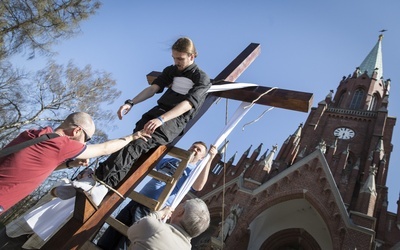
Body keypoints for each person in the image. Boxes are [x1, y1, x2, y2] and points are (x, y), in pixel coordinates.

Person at [95, 37, 212, 188]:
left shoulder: (201, 78)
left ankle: (98, 178)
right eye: (174, 57)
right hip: (153, 116)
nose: (177, 62)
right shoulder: (171, 70)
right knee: (128, 147)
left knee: (135, 146)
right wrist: (131, 102)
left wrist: (161, 120)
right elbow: (153, 88)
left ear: (192, 56)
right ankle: (106, 186)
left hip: (168, 124)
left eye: (180, 58)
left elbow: (187, 104)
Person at [0, 112, 150, 214]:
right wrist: (132, 137)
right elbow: (105, 149)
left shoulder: (36, 134)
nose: (85, 143)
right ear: (77, 130)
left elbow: (38, 168)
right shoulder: (61, 144)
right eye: (87, 138)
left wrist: (70, 164)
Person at [97, 141, 217, 250]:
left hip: (153, 207)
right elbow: (152, 161)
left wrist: (210, 158)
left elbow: (199, 186)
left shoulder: (193, 172)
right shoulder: (173, 161)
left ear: (201, 158)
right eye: (193, 146)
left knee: (130, 237)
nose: (194, 149)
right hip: (138, 199)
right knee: (114, 231)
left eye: (198, 150)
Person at [0, 168, 108, 249]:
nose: (90, 175)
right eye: (88, 173)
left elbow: (96, 196)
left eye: (92, 174)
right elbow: (58, 191)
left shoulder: (92, 194)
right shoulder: (65, 182)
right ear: (80, 175)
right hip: (22, 226)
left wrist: (91, 185)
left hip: (39, 240)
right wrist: (83, 184)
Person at [127, 198, 210, 250]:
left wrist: (159, 213)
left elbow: (130, 232)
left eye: (182, 203)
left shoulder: (155, 228)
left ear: (180, 212)